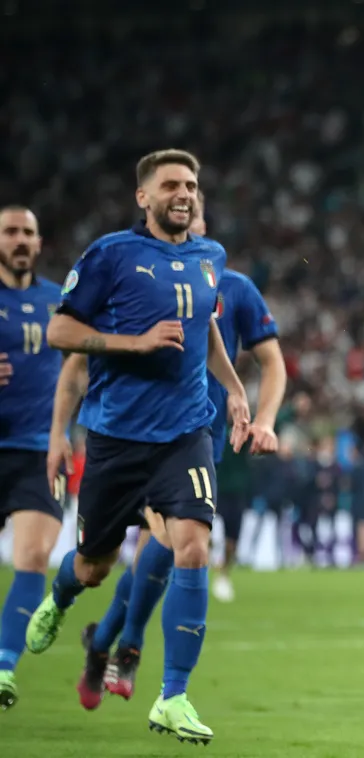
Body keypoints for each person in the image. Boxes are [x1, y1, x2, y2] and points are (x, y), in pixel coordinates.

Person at [24, 149, 253, 744]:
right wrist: (134, 342)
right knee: (93, 568)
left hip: (184, 437)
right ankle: (61, 596)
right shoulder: (111, 255)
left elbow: (204, 333)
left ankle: (172, 695)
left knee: (194, 547)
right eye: (171, 184)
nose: (184, 192)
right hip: (116, 441)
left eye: (192, 184)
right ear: (143, 197)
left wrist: (233, 390)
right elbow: (60, 331)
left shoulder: (211, 258)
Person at [75, 197, 285, 708]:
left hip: (202, 440)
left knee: (172, 549)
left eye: (197, 218)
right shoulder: (138, 278)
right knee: (137, 554)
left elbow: (273, 363)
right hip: (143, 435)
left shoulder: (230, 285)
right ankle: (119, 643)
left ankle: (116, 647)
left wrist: (262, 418)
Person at [0, 205, 64, 710]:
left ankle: (2, 668)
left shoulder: (59, 301)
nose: (19, 240)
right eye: (9, 232)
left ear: (38, 243)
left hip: (38, 450)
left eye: (27, 232)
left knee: (35, 557)